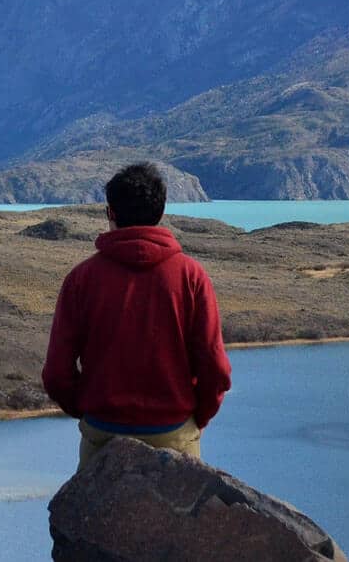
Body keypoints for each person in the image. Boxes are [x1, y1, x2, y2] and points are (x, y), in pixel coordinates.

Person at [42, 162, 233, 466]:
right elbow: (216, 368)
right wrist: (197, 417)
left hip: (102, 434)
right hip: (174, 435)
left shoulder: (81, 279)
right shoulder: (191, 277)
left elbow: (56, 374)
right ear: (160, 212)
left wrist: (89, 411)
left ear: (111, 213)